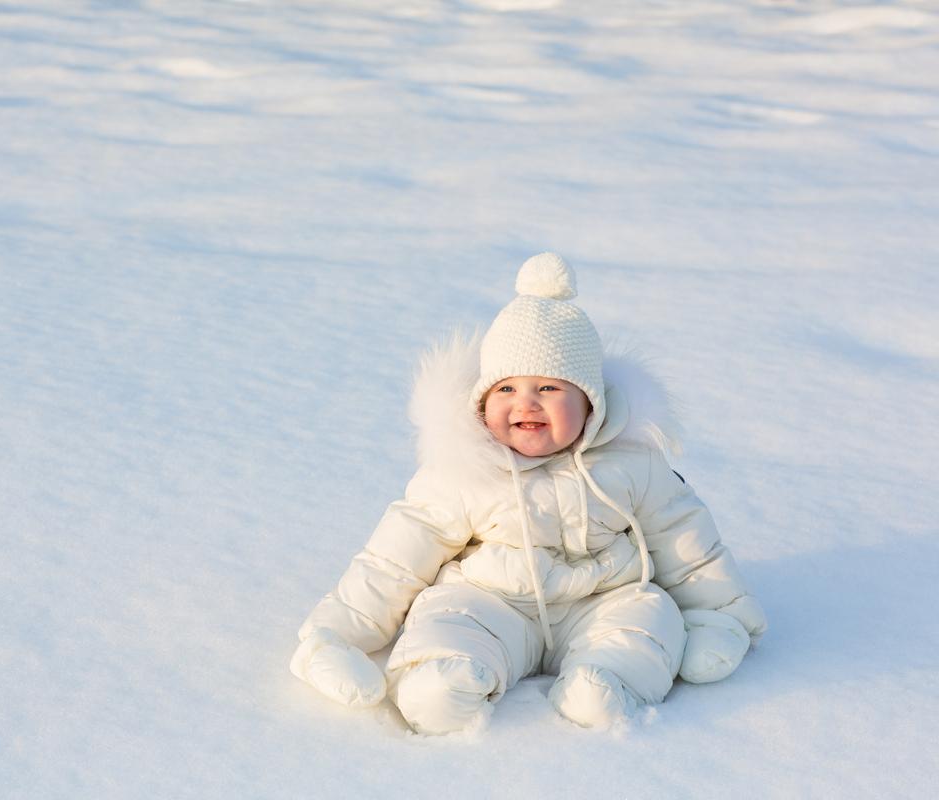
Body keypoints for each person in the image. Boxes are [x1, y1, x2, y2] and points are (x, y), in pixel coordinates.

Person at [290, 253, 767, 734]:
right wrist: (336, 636)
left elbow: (685, 538)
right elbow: (393, 560)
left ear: (590, 404)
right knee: (446, 621)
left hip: (602, 597)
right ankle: (439, 685)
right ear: (481, 400)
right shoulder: (464, 470)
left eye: (548, 387)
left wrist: (717, 613)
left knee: (645, 620)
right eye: (506, 389)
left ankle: (603, 682)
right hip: (491, 600)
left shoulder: (630, 463)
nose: (526, 403)